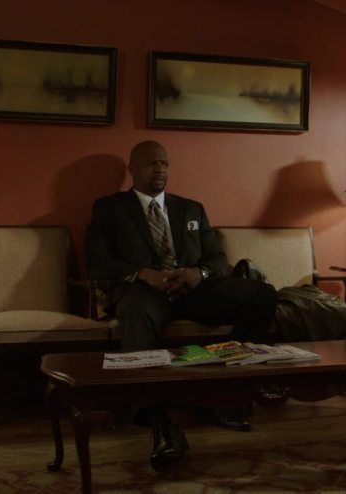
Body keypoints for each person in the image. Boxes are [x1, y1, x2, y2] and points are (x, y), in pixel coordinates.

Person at [87, 140, 278, 469]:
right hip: (143, 292)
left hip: (192, 291)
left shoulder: (191, 208)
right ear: (132, 168)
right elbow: (97, 262)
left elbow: (216, 258)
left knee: (262, 295)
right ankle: (160, 424)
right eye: (151, 163)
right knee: (136, 314)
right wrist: (144, 274)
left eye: (164, 163)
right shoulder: (110, 208)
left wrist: (197, 274)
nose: (159, 169)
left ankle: (225, 397)